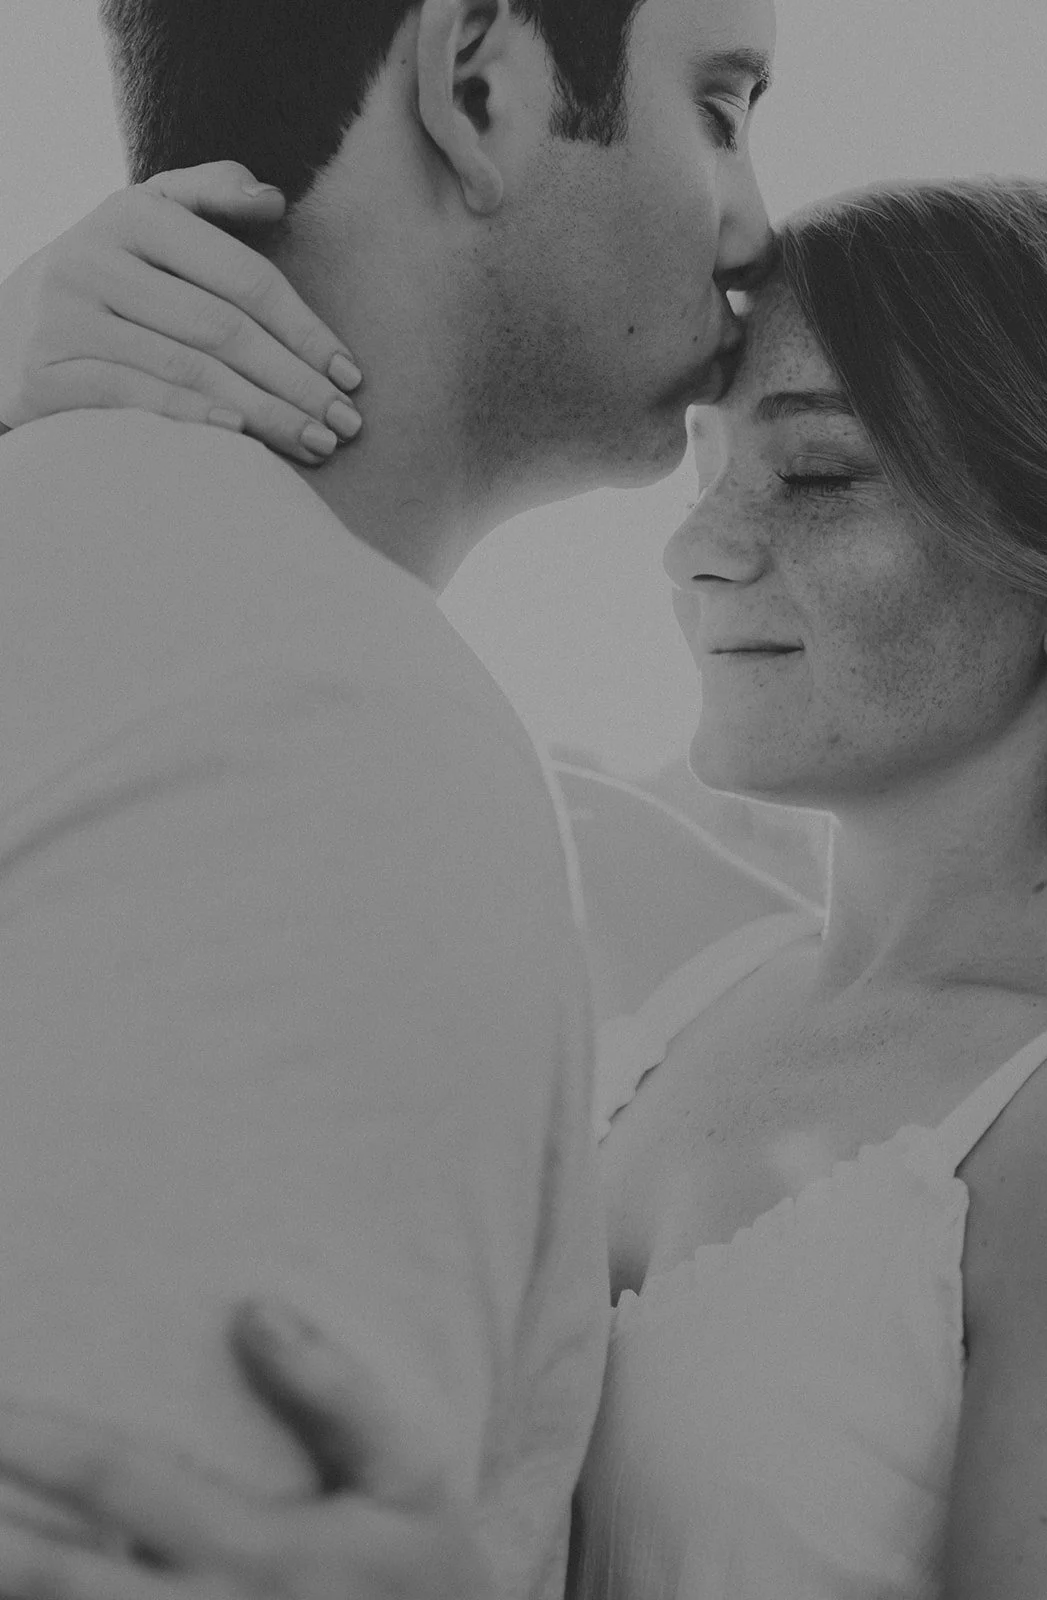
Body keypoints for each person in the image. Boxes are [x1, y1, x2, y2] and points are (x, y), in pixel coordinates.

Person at [0, 168, 1047, 1598]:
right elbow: (264, 657)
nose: (700, 550)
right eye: (708, 471)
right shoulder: (675, 954)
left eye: (814, 477)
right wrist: (55, 365)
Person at [0, 0, 777, 1595]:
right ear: (479, 83)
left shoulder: (79, 560)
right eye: (720, 105)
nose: (757, 227)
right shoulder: (315, 726)